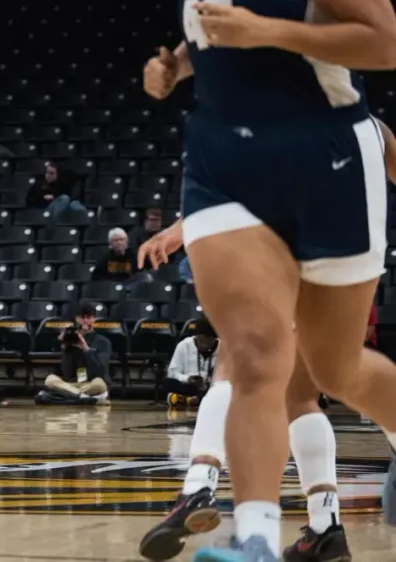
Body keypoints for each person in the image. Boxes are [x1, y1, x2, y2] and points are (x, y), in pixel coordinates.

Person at [142, 0, 396, 559]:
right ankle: (253, 539)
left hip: (325, 160)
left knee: (334, 369)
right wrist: (175, 65)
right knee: (251, 350)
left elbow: (384, 40)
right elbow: (214, 30)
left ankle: (318, 516)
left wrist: (271, 31)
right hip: (224, 163)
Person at [138, 222, 358, 561]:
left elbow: (232, 178)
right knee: (300, 396)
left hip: (273, 239)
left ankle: (198, 488)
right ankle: (326, 525)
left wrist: (179, 229)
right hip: (338, 254)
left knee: (233, 366)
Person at [40, 304, 112, 404]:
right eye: (82, 318)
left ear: (94, 319)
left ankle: (68, 398)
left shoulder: (103, 342)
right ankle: (83, 398)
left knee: (99, 384)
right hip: (72, 384)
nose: (85, 321)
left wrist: (85, 348)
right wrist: (65, 348)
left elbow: (100, 371)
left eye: (88, 317)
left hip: (90, 384)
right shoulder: (69, 340)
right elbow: (66, 372)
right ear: (76, 319)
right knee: (50, 380)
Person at [164, 317, 219, 407]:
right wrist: (188, 379)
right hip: (189, 385)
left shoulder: (223, 348)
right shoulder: (184, 345)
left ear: (214, 339)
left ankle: (186, 399)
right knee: (167, 383)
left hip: (210, 386)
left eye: (207, 342)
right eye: (201, 341)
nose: (203, 345)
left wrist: (208, 381)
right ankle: (195, 399)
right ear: (196, 336)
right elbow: (173, 372)